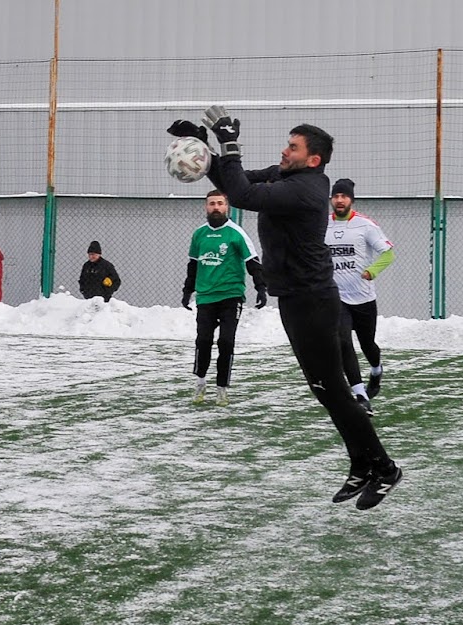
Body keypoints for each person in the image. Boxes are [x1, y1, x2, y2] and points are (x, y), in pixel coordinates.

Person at [167, 107, 401, 511]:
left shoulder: (307, 189)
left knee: (334, 390)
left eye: (292, 147)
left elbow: (241, 196)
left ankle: (384, 467)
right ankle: (362, 465)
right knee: (325, 390)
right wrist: (204, 149)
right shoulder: (286, 177)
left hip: (313, 300)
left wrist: (229, 142)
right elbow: (231, 179)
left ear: (313, 158)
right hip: (295, 299)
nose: (284, 150)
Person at [182, 189, 268, 406]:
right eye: (212, 203)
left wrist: (260, 288)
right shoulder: (199, 234)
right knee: (203, 340)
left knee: (226, 341)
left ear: (227, 207)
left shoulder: (236, 233)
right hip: (206, 297)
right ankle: (200, 383)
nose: (216, 207)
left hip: (231, 295)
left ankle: (222, 388)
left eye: (220, 203)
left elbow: (253, 262)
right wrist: (187, 291)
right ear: (206, 207)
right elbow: (193, 265)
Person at [325, 178, 395, 412]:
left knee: (368, 345)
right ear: (331, 200)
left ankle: (376, 369)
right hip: (337, 297)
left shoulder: (365, 225)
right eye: (336, 196)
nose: (340, 200)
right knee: (343, 343)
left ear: (351, 199)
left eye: (344, 196)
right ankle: (360, 395)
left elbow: (388, 254)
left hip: (363, 297)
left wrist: (371, 270)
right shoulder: (323, 225)